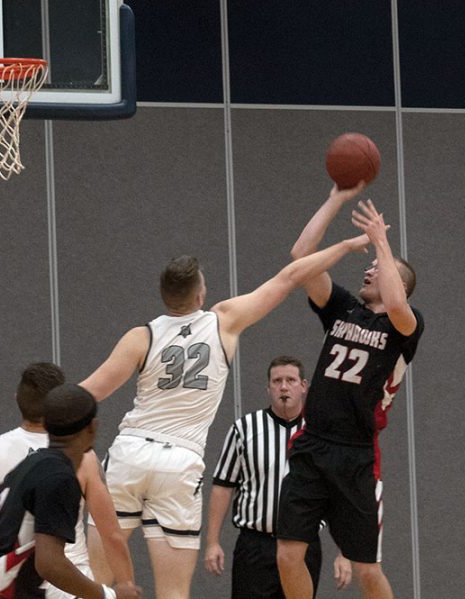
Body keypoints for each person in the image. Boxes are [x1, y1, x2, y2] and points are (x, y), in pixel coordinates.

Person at [79, 232, 372, 599]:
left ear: (164, 296)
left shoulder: (141, 337)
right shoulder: (223, 321)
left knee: (95, 583)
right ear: (201, 296)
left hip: (130, 453)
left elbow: (88, 393)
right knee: (173, 593)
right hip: (179, 461)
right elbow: (291, 276)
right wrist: (344, 247)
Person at [276, 184, 424, 599]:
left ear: (399, 282)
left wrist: (381, 241)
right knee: (288, 554)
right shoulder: (342, 309)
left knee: (367, 570)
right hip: (312, 444)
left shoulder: (405, 325)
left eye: (379, 267)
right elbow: (300, 258)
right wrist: (336, 198)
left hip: (357, 454)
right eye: (373, 265)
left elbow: (396, 303)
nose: (370, 270)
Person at [0, 363, 138, 598]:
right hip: (65, 578)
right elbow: (54, 562)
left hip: (8, 585)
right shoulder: (67, 470)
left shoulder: (12, 459)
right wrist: (118, 590)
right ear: (92, 428)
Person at [204, 355, 353, 598]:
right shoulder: (245, 428)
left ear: (304, 386)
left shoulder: (322, 433)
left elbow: (338, 495)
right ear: (268, 388)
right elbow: (223, 485)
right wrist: (212, 542)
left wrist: (344, 552)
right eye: (277, 381)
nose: (284, 386)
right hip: (255, 547)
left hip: (302, 546)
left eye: (291, 380)